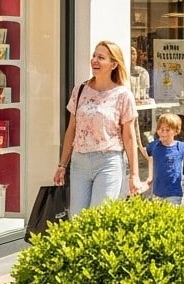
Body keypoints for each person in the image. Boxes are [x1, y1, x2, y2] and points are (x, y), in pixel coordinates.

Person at [54, 41, 143, 216]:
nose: (94, 60)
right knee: (76, 219)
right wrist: (62, 164)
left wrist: (134, 174)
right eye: (94, 56)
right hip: (79, 162)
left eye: (101, 57)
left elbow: (129, 137)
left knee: (98, 217)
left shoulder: (123, 95)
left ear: (114, 64)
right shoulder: (80, 90)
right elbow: (71, 129)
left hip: (108, 162)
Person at [144, 113, 184, 205]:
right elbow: (146, 153)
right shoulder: (154, 146)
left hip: (174, 193)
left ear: (175, 131)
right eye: (161, 129)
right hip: (156, 193)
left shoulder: (182, 147)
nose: (163, 132)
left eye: (167, 130)